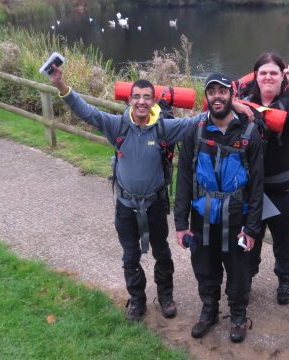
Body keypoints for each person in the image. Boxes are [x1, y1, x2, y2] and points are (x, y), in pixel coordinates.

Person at [48, 64, 205, 322]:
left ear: (154, 101)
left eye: (146, 97)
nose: (141, 102)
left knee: (162, 253)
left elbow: (196, 122)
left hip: (155, 205)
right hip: (125, 206)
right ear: (129, 99)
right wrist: (60, 85)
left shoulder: (165, 128)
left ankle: (166, 297)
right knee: (130, 255)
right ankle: (137, 300)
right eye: (136, 97)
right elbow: (86, 112)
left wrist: (233, 105)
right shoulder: (117, 126)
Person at [174, 73, 264, 343]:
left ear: (231, 96)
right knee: (204, 267)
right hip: (202, 217)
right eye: (211, 91)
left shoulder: (249, 134)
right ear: (206, 98)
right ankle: (209, 311)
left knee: (239, 271)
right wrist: (180, 224)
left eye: (222, 91)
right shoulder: (195, 132)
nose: (217, 96)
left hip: (238, 216)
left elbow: (258, 185)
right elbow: (184, 181)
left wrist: (252, 228)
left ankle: (238, 316)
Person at [240, 52, 289, 305]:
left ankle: (285, 280)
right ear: (256, 76)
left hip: (285, 190)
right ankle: (246, 280)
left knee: (285, 243)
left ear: (282, 76)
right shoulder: (242, 102)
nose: (268, 77)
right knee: (250, 239)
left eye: (274, 72)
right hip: (252, 191)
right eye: (263, 73)